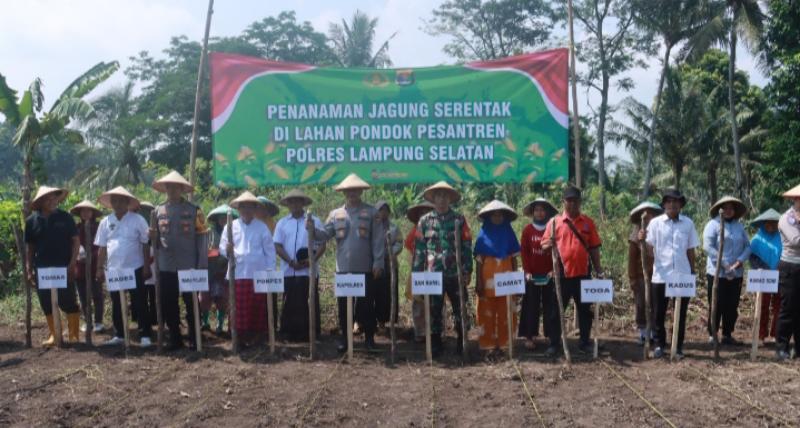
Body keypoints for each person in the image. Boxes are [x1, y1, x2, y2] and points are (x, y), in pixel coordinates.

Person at [309, 174, 385, 352]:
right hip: (343, 269)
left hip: (366, 268)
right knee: (344, 306)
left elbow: (378, 240)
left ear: (361, 191)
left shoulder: (372, 212)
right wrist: (312, 229)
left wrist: (378, 262)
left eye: (355, 190)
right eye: (349, 191)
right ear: (344, 193)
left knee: (366, 305)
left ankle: (369, 339)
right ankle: (345, 338)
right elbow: (325, 235)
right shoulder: (335, 215)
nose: (352, 193)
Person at [541, 186, 604, 356]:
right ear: (563, 202)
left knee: (585, 310)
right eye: (569, 200)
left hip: (583, 274)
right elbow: (544, 245)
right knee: (556, 310)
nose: (572, 204)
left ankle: (584, 342)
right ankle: (554, 343)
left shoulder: (587, 222)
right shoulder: (554, 223)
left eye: (575, 200)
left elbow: (594, 248)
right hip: (561, 274)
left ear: (580, 202)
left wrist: (599, 270)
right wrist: (551, 242)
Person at [413, 181, 472, 357]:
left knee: (460, 308)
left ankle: (462, 341)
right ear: (433, 199)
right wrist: (417, 275)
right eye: (438, 196)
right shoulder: (424, 221)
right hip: (433, 274)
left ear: (450, 199)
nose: (441, 200)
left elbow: (467, 245)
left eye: (445, 196)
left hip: (455, 273)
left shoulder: (459, 219)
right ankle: (436, 343)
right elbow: (419, 250)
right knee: (434, 310)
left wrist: (467, 270)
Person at [151, 171, 209, 350]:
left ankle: (195, 338)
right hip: (166, 265)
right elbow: (155, 241)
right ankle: (175, 339)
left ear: (182, 189)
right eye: (169, 186)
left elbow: (202, 239)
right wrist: (151, 236)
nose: (172, 190)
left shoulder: (194, 210)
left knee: (192, 303)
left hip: (189, 265)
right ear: (165, 189)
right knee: (169, 303)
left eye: (176, 187)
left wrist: (201, 266)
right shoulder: (157, 211)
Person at [640, 189, 699, 359]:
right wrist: (642, 240)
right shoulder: (655, 224)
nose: (672, 204)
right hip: (661, 275)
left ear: (681, 205)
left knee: (680, 313)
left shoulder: (688, 223)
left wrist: (692, 272)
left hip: (682, 274)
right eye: (669, 201)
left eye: (676, 201)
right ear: (664, 204)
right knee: (658, 312)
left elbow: (690, 250)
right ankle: (659, 345)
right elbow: (650, 251)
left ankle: (678, 346)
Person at [95, 186, 153, 347]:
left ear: (128, 202)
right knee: (116, 302)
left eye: (121, 200)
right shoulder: (106, 222)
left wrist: (147, 267)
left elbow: (146, 244)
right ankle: (119, 334)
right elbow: (102, 247)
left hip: (135, 267)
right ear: (111, 203)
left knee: (140, 302)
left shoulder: (138, 219)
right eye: (114, 200)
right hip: (114, 269)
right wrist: (99, 268)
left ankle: (145, 335)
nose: (118, 203)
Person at [24, 186, 82, 345]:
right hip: (42, 269)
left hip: (64, 267)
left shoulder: (66, 218)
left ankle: (74, 335)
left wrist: (72, 263)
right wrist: (29, 270)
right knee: (46, 301)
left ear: (58, 199)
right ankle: (54, 334)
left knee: (68, 300)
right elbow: (30, 249)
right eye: (47, 198)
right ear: (40, 202)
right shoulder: (31, 222)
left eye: (54, 197)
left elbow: (76, 242)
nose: (51, 201)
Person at [220, 191, 276, 347]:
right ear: (238, 208)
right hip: (237, 273)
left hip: (258, 273)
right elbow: (222, 248)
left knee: (256, 307)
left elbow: (270, 251)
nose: (246, 210)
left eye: (250, 207)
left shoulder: (262, 227)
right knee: (237, 308)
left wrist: (270, 272)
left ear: (254, 208)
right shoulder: (230, 226)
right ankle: (238, 339)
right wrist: (227, 249)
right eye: (243, 207)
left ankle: (256, 339)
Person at [273, 189, 326, 342]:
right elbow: (277, 245)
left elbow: (323, 244)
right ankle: (289, 333)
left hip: (308, 271)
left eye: (298, 201)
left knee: (309, 301)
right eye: (291, 201)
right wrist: (290, 262)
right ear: (287, 204)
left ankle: (311, 334)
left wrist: (312, 260)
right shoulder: (282, 223)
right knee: (289, 302)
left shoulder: (314, 221)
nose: (295, 204)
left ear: (303, 203)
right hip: (289, 270)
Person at [474, 200, 520, 353]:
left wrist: (516, 280)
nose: (497, 217)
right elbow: (479, 261)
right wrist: (478, 281)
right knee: (485, 312)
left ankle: (506, 344)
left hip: (506, 280)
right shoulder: (482, 236)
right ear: (488, 217)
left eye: (500, 215)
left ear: (505, 217)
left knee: (507, 311)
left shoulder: (509, 233)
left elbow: (514, 257)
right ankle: (488, 345)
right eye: (494, 215)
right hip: (487, 280)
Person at [703, 196, 750, 345]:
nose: (729, 211)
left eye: (732, 208)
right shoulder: (712, 224)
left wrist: (738, 262)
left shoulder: (739, 226)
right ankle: (713, 334)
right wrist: (724, 264)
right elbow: (708, 247)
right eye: (726, 208)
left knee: (732, 304)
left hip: (736, 272)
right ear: (720, 209)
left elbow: (748, 246)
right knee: (716, 303)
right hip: (717, 272)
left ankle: (727, 334)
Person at [518, 198, 558, 350]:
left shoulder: (553, 228)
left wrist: (553, 270)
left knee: (550, 306)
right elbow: (524, 253)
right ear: (533, 212)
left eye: (543, 210)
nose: (540, 213)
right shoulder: (527, 230)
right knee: (530, 305)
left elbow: (557, 251)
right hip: (532, 276)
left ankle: (550, 336)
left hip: (549, 275)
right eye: (537, 210)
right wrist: (527, 271)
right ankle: (529, 336)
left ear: (547, 212)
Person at [627, 201, 663, 344]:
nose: (648, 217)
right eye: (645, 215)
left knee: (655, 305)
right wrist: (633, 279)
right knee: (641, 304)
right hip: (641, 276)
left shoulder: (659, 231)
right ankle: (643, 332)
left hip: (657, 276)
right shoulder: (635, 235)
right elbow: (631, 260)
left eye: (651, 214)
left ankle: (655, 332)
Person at [200, 204, 238, 334]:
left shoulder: (234, 233)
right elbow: (204, 250)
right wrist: (215, 252)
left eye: (226, 218)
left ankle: (220, 324)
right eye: (221, 218)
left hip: (225, 272)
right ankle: (205, 322)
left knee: (223, 299)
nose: (224, 221)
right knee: (204, 298)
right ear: (216, 219)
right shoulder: (209, 233)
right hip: (209, 270)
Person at [69, 200, 105, 334]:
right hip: (80, 267)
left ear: (93, 213)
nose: (85, 213)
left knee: (97, 295)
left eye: (88, 210)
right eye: (82, 211)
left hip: (95, 266)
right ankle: (87, 321)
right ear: (79, 213)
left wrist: (91, 254)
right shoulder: (76, 228)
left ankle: (99, 322)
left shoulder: (98, 227)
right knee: (83, 297)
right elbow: (72, 246)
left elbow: (102, 246)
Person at [748, 208, 782, 345]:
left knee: (779, 306)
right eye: (769, 223)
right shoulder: (756, 239)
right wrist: (765, 269)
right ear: (763, 224)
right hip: (763, 276)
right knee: (762, 305)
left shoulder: (782, 237)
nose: (772, 226)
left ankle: (775, 334)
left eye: (775, 223)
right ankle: (761, 335)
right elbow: (752, 258)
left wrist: (780, 269)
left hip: (781, 276)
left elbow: (787, 255)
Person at [404, 202, 435, 342]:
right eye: (422, 212)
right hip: (418, 271)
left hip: (435, 271)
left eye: (428, 211)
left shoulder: (438, 229)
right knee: (419, 303)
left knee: (436, 302)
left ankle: (435, 331)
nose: (425, 215)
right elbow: (410, 251)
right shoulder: (415, 231)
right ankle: (420, 332)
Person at [776, 183, 800, 360]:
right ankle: (781, 347)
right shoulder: (786, 218)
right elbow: (796, 240)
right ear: (795, 200)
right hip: (790, 268)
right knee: (788, 308)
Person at [374, 200, 403, 331]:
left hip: (390, 264)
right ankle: (376, 321)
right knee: (377, 292)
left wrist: (390, 252)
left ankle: (387, 321)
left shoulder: (394, 227)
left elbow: (399, 243)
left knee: (389, 292)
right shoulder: (373, 226)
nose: (383, 213)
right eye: (380, 210)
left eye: (385, 210)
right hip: (376, 265)